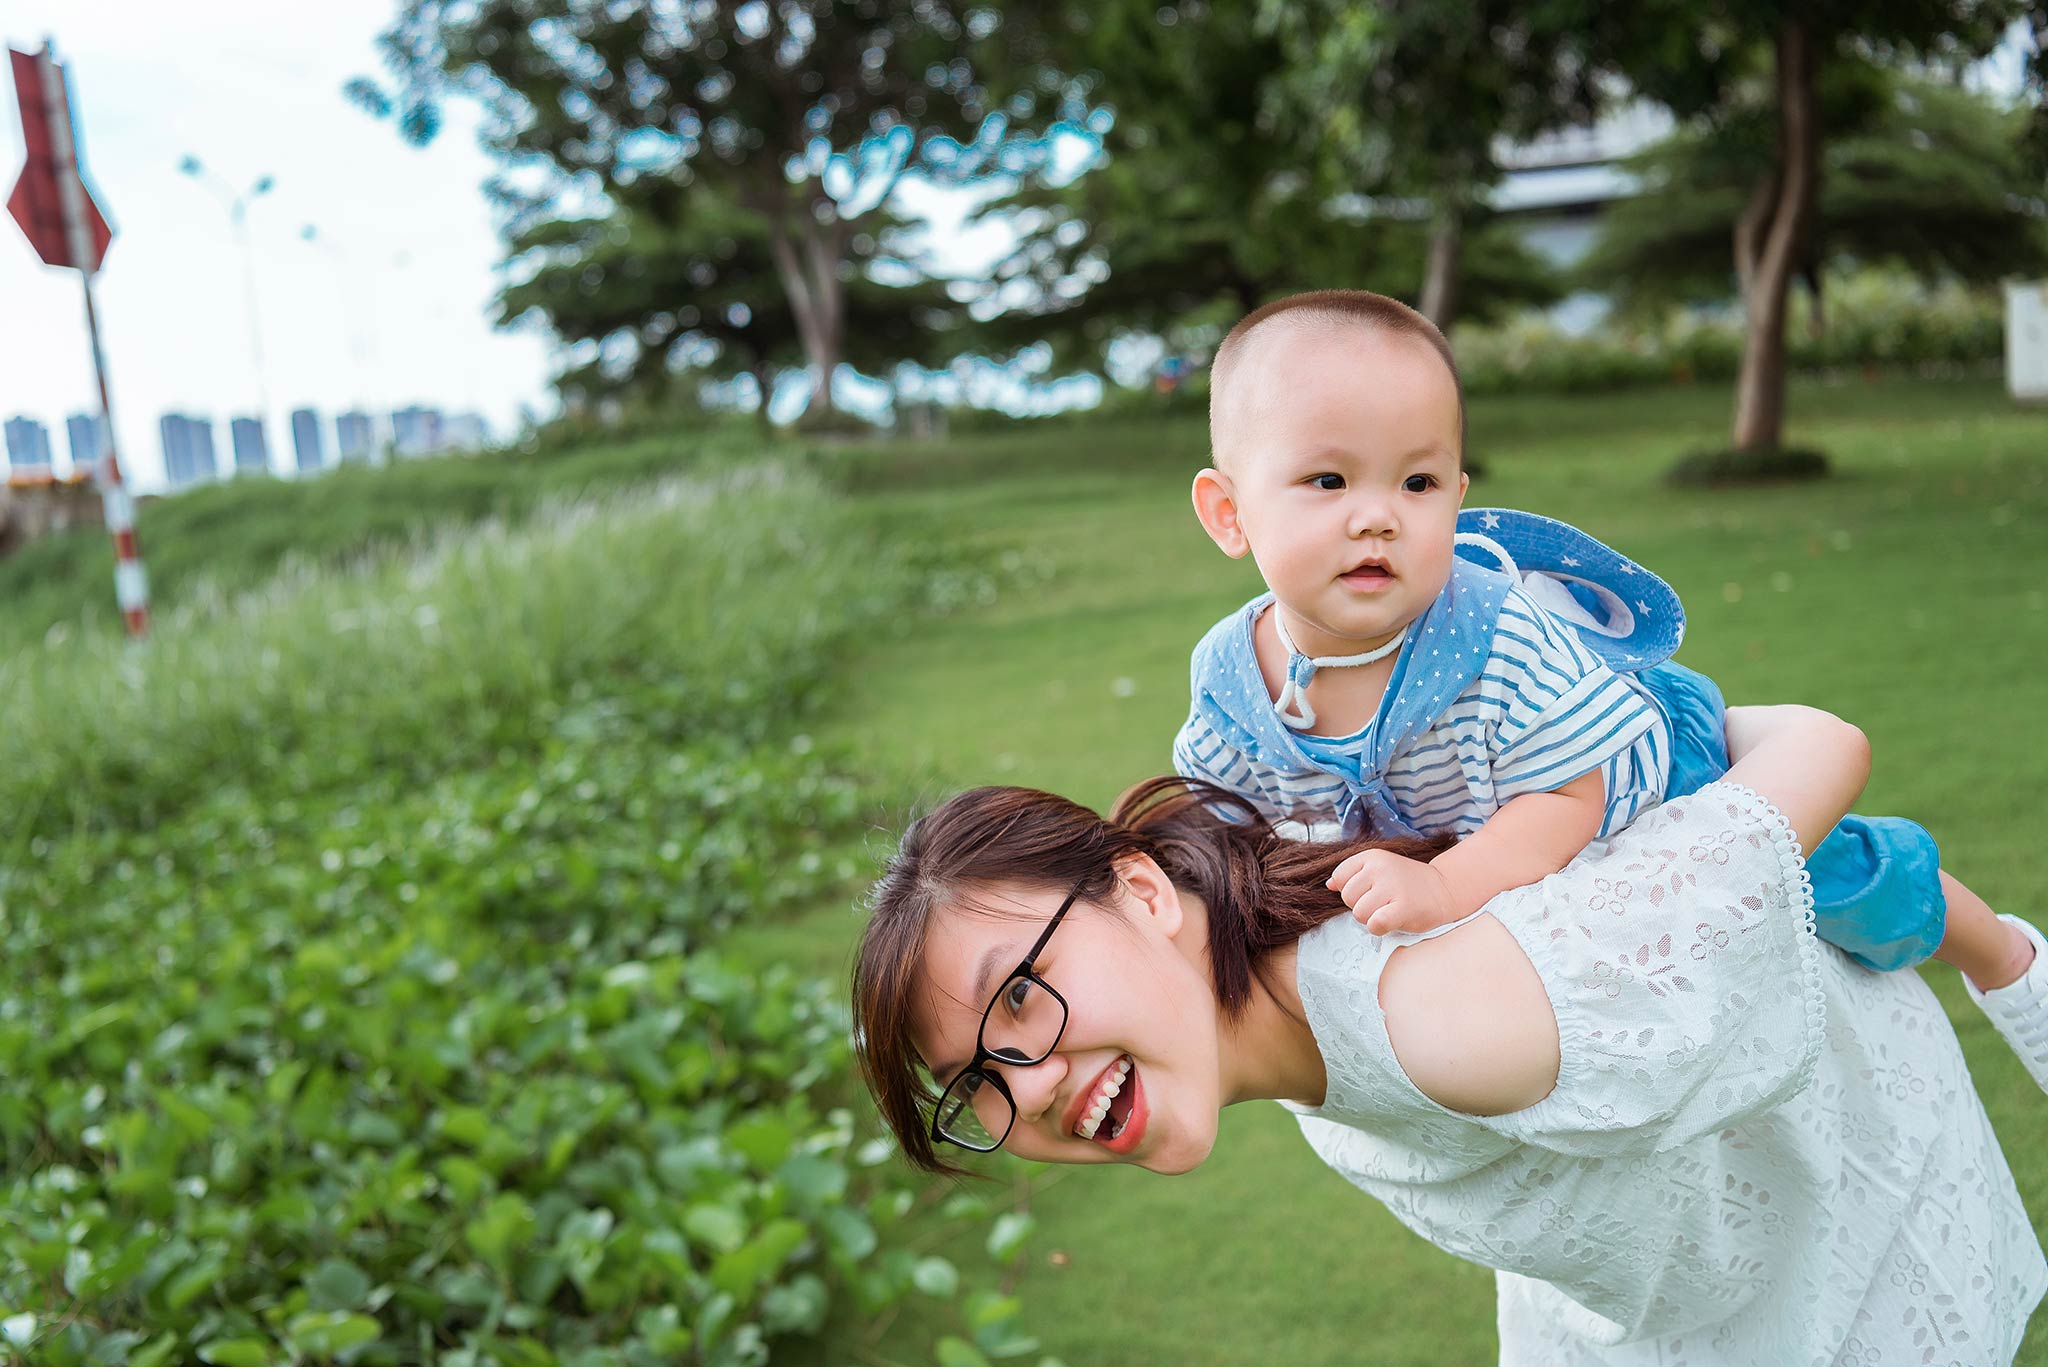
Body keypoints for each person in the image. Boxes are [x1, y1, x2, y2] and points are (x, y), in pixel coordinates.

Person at [851, 705, 2048, 1363]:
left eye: (1020, 995)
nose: (1030, 1086)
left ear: (1143, 890)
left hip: (1851, 1219)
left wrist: (1660, 727)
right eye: (974, 1082)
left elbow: (1816, 754)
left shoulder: (1445, 1016)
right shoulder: (1274, 1001)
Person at [1170, 288, 2048, 1087]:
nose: (1378, 515)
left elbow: (1568, 797)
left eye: (1419, 482)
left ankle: (2006, 958)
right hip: (1506, 833)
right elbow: (1224, 822)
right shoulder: (1232, 683)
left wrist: (1445, 888)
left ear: (1458, 494)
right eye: (1328, 480)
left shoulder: (1492, 636)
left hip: (1643, 774)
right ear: (1228, 513)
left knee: (1836, 879)